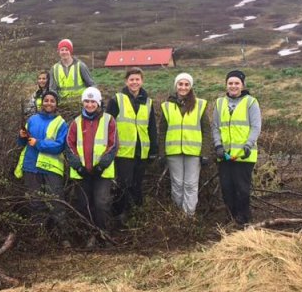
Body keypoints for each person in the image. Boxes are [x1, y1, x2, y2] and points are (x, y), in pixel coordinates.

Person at [65, 87, 118, 247]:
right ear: (83, 102)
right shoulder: (75, 122)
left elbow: (113, 145)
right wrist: (78, 167)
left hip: (102, 173)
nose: (89, 104)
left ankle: (103, 234)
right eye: (86, 101)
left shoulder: (109, 120)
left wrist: (101, 166)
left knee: (101, 203)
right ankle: (89, 235)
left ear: (98, 102)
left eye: (93, 101)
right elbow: (69, 146)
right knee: (84, 205)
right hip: (82, 173)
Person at [15, 90, 70, 242]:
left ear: (56, 104)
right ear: (42, 102)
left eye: (52, 101)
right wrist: (21, 136)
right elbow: (22, 143)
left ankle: (62, 238)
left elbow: (59, 146)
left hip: (51, 169)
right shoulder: (32, 120)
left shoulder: (61, 123)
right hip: (31, 166)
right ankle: (39, 238)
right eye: (46, 100)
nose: (49, 103)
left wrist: (38, 143)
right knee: (35, 203)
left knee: (56, 203)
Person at [105, 67, 157, 226]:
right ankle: (119, 218)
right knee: (123, 186)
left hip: (141, 152)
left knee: (137, 186)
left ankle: (137, 217)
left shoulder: (148, 102)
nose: (134, 82)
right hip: (123, 152)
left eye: (137, 79)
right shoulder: (117, 100)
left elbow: (152, 127)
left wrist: (153, 150)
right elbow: (107, 126)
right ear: (126, 81)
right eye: (131, 79)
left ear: (142, 81)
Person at [211, 70, 262, 226]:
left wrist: (248, 145)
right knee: (227, 188)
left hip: (244, 154)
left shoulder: (251, 102)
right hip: (225, 155)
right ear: (226, 85)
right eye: (230, 83)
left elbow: (256, 127)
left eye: (237, 83)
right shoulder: (219, 103)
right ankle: (230, 217)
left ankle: (243, 218)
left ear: (243, 85)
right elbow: (215, 127)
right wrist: (218, 145)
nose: (233, 86)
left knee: (242, 188)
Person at [160, 73, 210, 217]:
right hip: (173, 152)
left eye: (186, 84)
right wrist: (162, 153)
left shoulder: (200, 105)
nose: (183, 87)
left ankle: (188, 216)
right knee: (177, 184)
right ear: (176, 86)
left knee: (191, 184)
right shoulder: (167, 106)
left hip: (193, 152)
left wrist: (205, 152)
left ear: (191, 86)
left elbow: (206, 130)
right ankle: (177, 216)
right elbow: (162, 131)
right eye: (180, 84)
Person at [49, 39, 95, 106]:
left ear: (70, 51)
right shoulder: (54, 68)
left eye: (66, 50)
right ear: (59, 52)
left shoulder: (80, 66)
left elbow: (91, 85)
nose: (64, 52)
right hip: (63, 105)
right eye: (62, 50)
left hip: (80, 104)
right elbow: (52, 89)